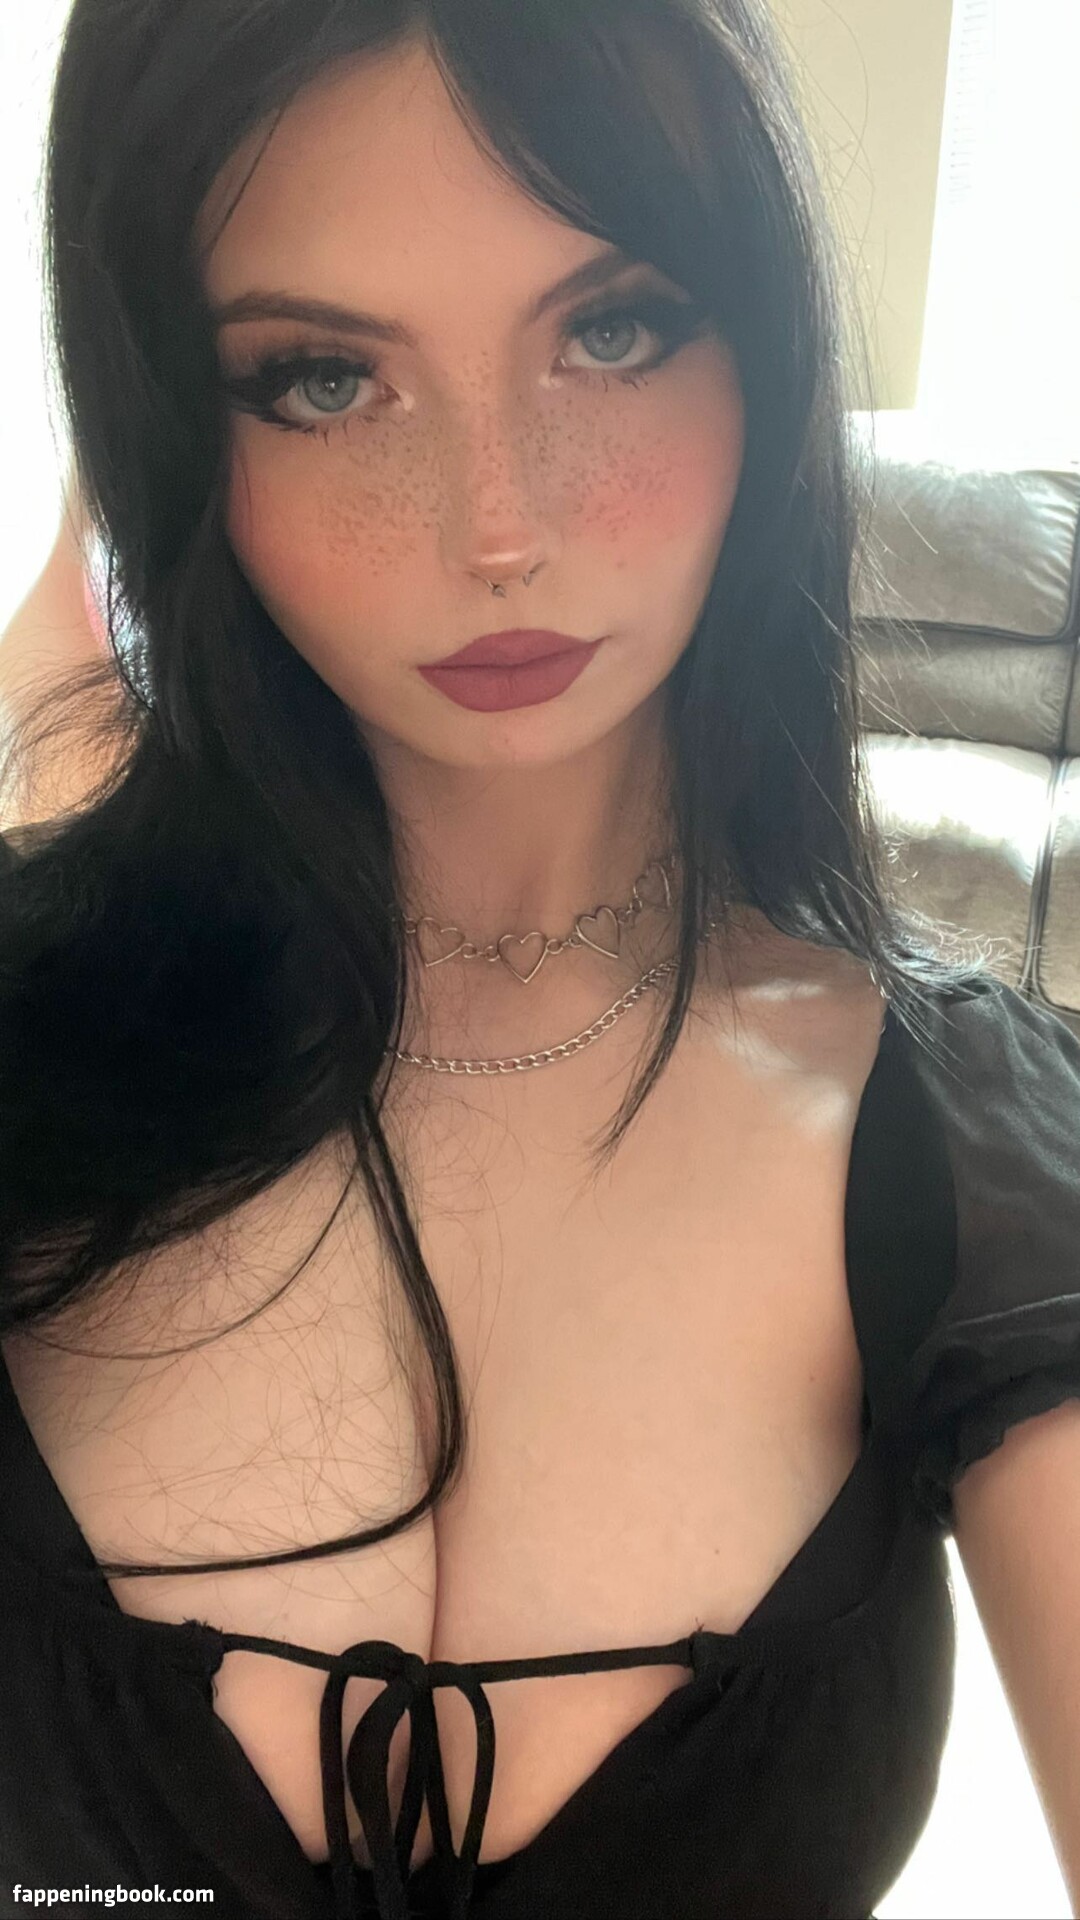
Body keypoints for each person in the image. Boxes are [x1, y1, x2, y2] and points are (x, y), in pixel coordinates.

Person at [1, 5, 1079, 1919]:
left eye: (616, 330)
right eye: (324, 377)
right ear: (177, 424)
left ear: (760, 349)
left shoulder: (972, 1144)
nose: (498, 528)